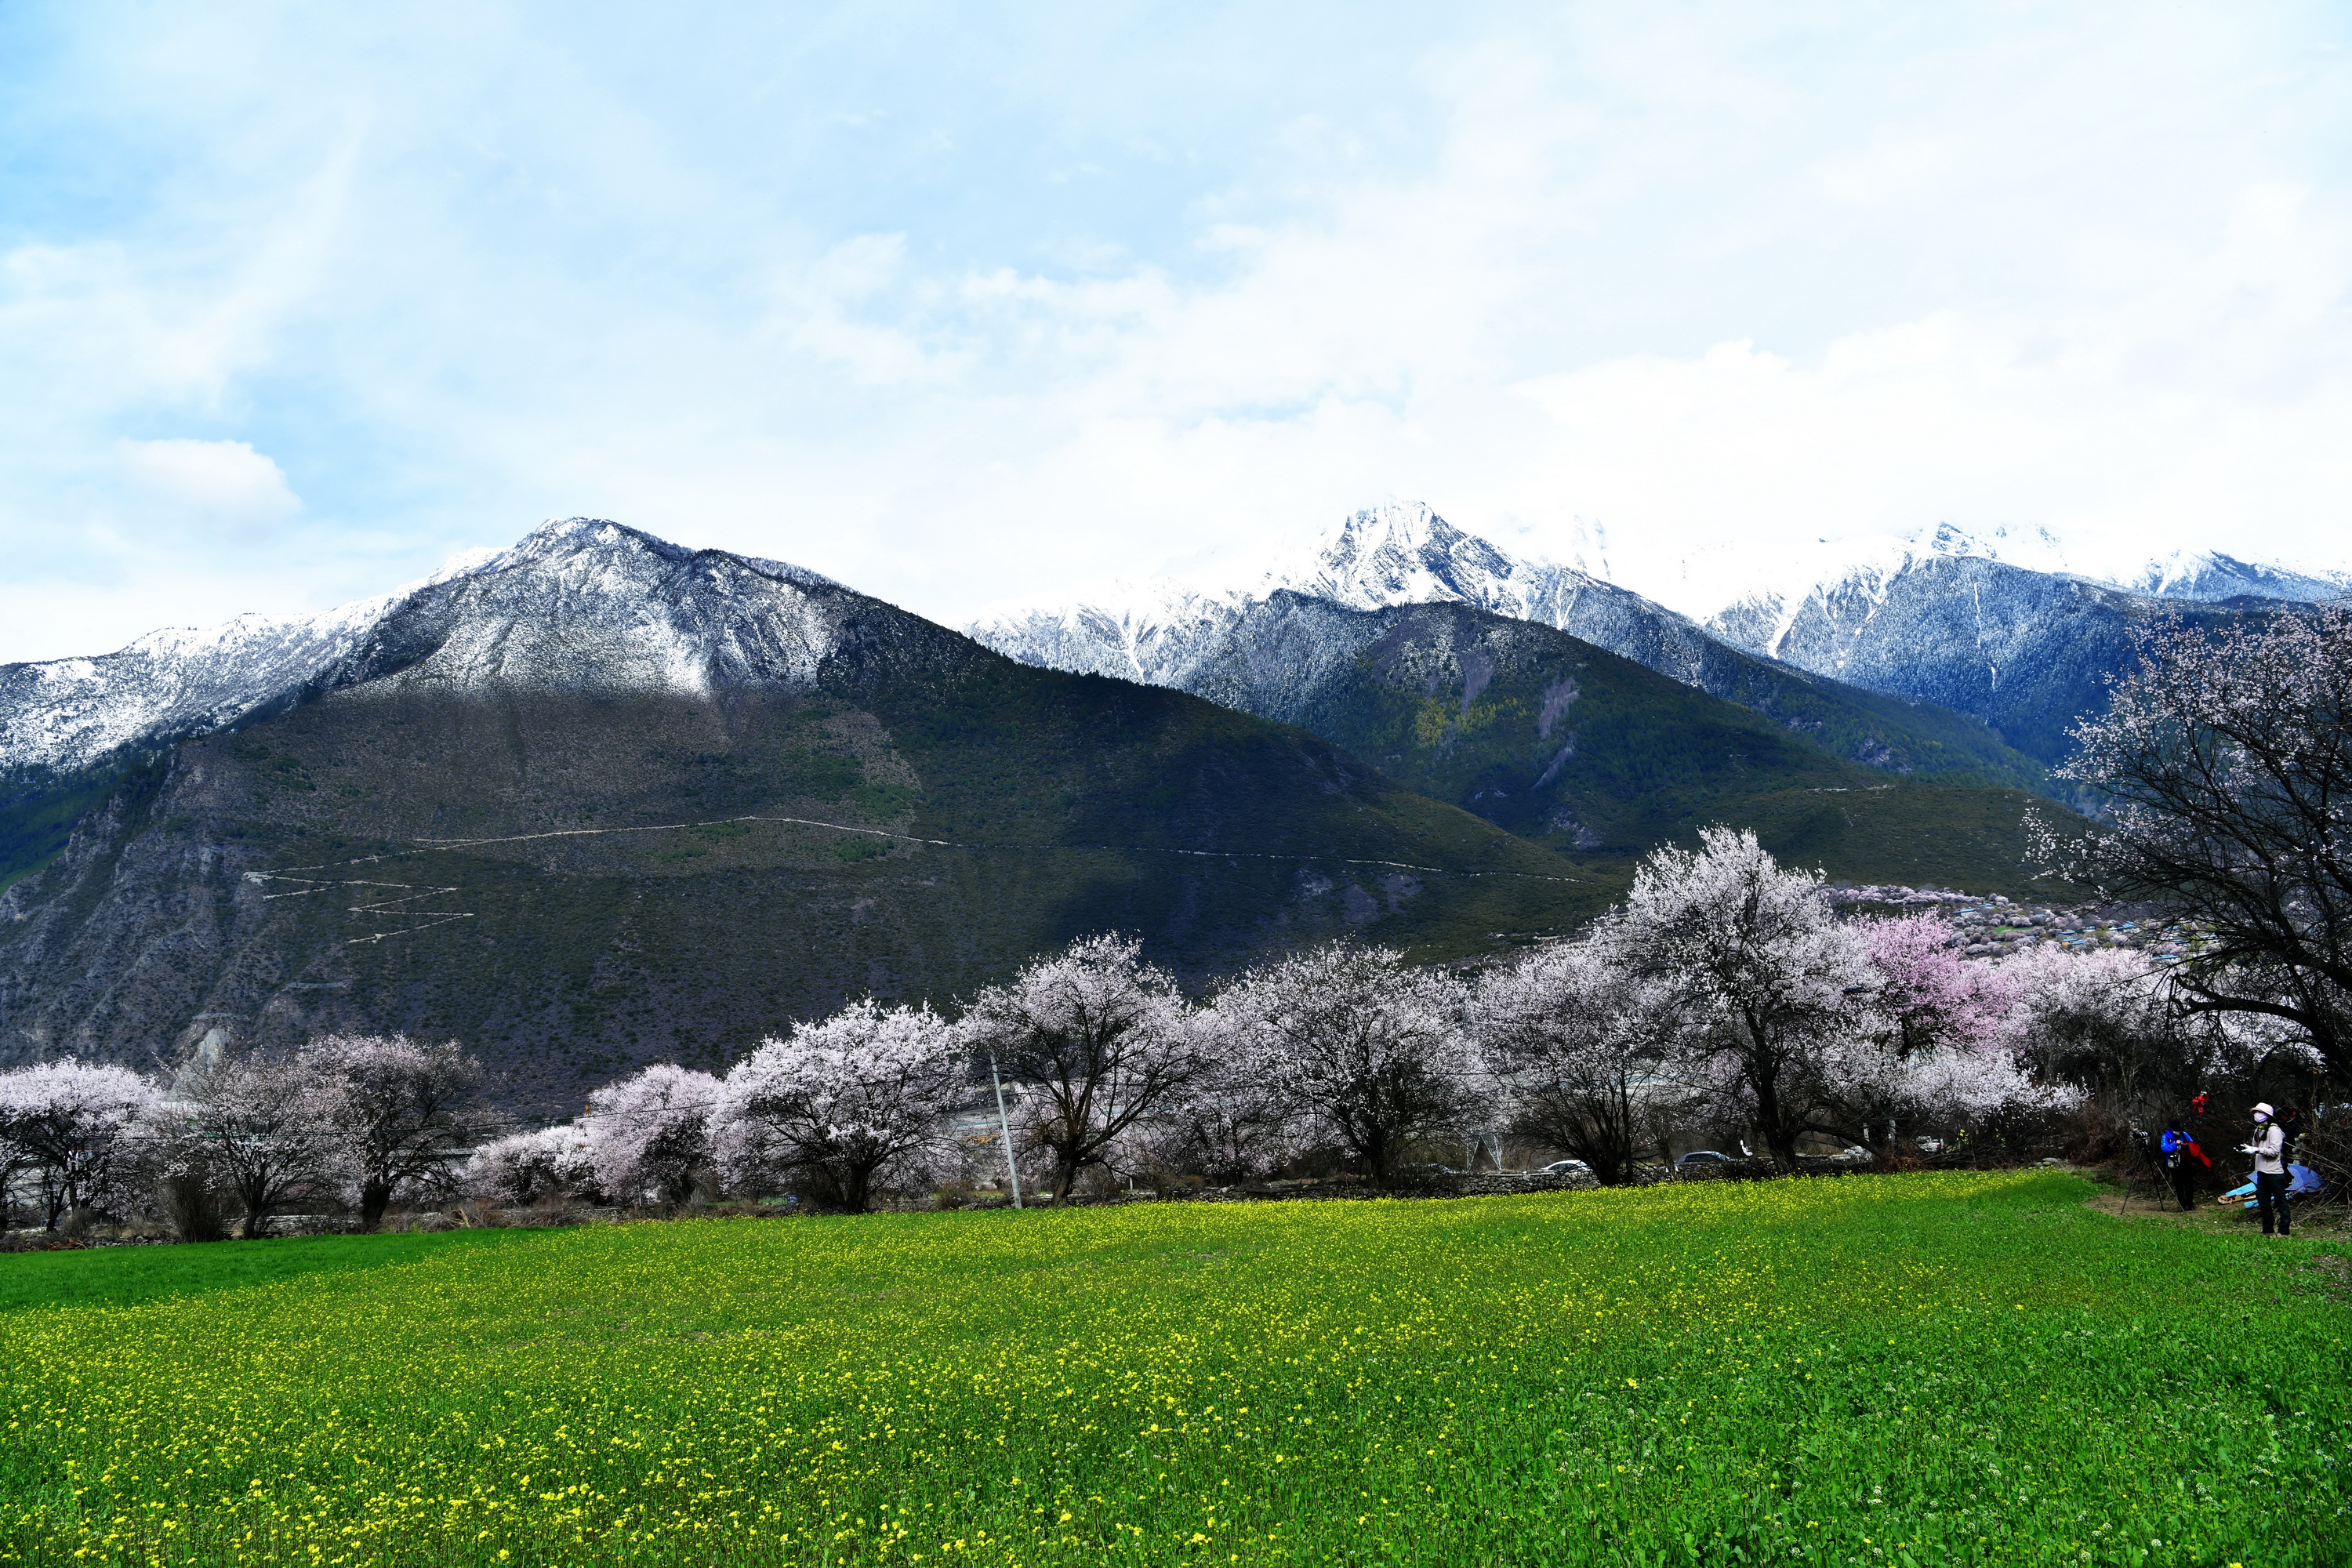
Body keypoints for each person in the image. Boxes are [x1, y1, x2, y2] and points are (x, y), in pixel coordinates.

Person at [2245, 1102, 2292, 1237]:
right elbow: (2256, 1148)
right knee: (2263, 1202)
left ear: (2267, 1115)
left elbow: (2275, 1151)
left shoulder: (2274, 1131)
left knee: (2280, 1201)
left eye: (2259, 1112)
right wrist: (2248, 1149)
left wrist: (2257, 1150)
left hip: (2274, 1172)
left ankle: (2284, 1231)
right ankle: (2268, 1230)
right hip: (2261, 1171)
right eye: (2255, 1112)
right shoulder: (2258, 1130)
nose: (2256, 1115)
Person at [2158, 1122, 2208, 1212]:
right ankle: (2183, 1205)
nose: (2177, 1132)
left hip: (2186, 1163)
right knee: (2179, 1186)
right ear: (2172, 1129)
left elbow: (2192, 1145)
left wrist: (2186, 1145)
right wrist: (2175, 1144)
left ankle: (2190, 1204)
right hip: (2174, 1164)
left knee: (2189, 1184)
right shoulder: (2166, 1136)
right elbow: (2165, 1148)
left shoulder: (2184, 1134)